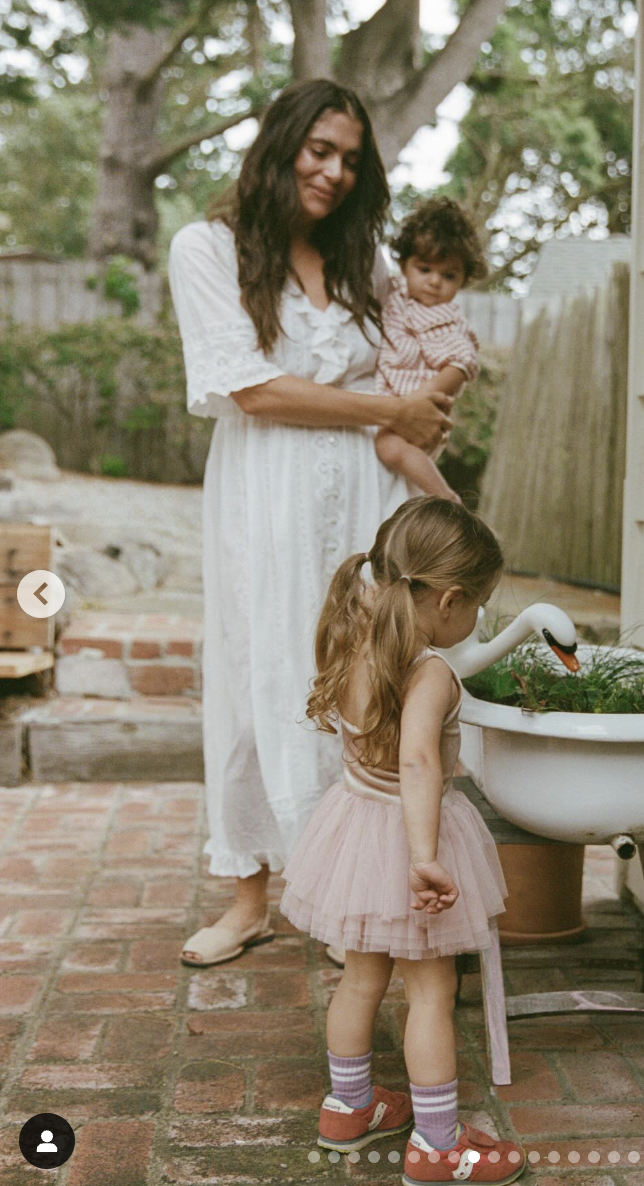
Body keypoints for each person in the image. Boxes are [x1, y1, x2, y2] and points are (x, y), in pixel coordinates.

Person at [167, 79, 453, 968]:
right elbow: (249, 387)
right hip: (266, 496)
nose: (333, 172)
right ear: (282, 143)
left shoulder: (367, 269)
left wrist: (426, 405)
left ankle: (344, 895)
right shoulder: (206, 249)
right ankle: (250, 896)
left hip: (364, 499)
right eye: (319, 149)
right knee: (259, 672)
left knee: (361, 676)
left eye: (351, 160)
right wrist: (385, 413)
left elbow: (415, 370)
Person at [280, 497, 526, 1185]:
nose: (478, 618)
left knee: (360, 979)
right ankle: (439, 1145)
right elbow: (418, 761)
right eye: (478, 603)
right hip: (409, 837)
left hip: (355, 830)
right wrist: (424, 857)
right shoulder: (433, 672)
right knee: (429, 992)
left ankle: (349, 1109)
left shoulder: (359, 640)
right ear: (448, 600)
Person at [373, 198, 487, 504]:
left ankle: (446, 498)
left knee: (388, 448)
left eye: (449, 275)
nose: (435, 282)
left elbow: (461, 364)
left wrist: (419, 400)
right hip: (389, 404)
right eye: (424, 269)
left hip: (418, 409)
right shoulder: (395, 294)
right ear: (404, 265)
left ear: (464, 278)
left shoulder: (446, 318)